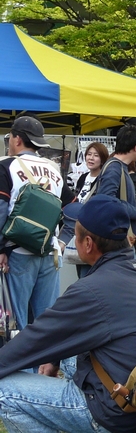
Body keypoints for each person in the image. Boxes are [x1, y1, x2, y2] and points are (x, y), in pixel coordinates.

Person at [0, 194, 136, 433]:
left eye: (75, 235)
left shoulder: (92, 290)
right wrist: (53, 359)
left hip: (115, 413)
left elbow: (35, 339)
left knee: (4, 390)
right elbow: (64, 332)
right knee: (68, 354)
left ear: (88, 244)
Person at [0, 116, 65, 331]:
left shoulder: (6, 166)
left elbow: (1, 210)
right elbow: (74, 207)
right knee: (46, 323)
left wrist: (0, 248)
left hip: (18, 252)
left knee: (16, 322)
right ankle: (48, 365)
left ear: (17, 139)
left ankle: (22, 366)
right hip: (50, 251)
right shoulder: (54, 168)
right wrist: (64, 239)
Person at [96, 124, 136, 237]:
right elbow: (106, 202)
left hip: (121, 238)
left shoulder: (118, 167)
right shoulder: (114, 169)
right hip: (115, 241)